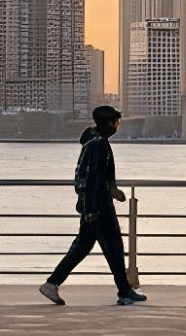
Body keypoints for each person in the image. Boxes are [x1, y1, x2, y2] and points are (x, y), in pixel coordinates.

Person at [39, 105, 147, 306]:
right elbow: (95, 178)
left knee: (85, 247)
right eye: (116, 122)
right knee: (113, 247)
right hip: (99, 207)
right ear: (109, 123)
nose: (117, 126)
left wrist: (109, 192)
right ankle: (124, 291)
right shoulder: (98, 144)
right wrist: (103, 199)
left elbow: (93, 177)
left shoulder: (92, 142)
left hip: (92, 205)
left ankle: (52, 283)